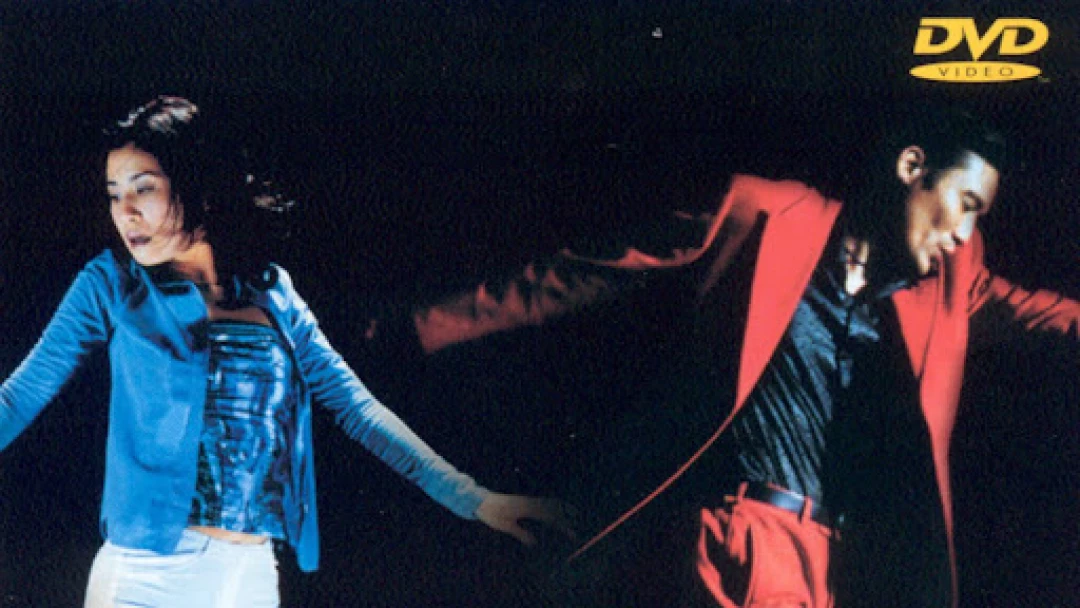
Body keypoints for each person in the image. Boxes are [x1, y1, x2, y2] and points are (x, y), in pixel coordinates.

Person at [365, 107, 1079, 606]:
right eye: (966, 202)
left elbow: (1053, 318)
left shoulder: (950, 287)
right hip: (733, 537)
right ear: (911, 167)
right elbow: (593, 269)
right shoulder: (766, 213)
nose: (965, 233)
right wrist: (418, 327)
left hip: (832, 567)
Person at [0, 96, 570, 607]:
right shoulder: (110, 284)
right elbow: (19, 397)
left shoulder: (273, 292)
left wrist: (476, 501)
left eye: (143, 188)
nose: (125, 212)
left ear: (195, 183)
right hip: (145, 577)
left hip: (250, 576)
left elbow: (357, 409)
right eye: (114, 195)